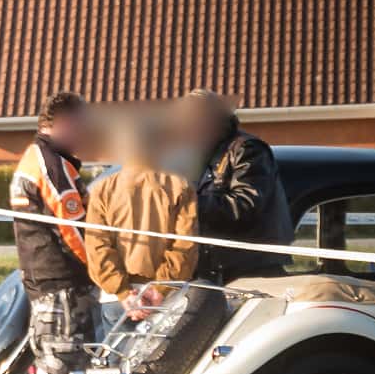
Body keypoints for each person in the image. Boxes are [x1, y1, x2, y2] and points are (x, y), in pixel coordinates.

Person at [9, 91, 99, 374]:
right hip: (61, 284)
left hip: (47, 283)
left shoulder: (39, 159)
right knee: (59, 368)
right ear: (64, 122)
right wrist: (99, 268)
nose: (86, 134)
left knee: (76, 365)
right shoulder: (50, 164)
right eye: (82, 126)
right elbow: (71, 229)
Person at [164, 89, 292, 281]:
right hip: (208, 270)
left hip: (248, 272)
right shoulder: (196, 155)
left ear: (214, 122)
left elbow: (245, 205)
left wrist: (186, 203)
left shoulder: (247, 150)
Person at [85, 112, 199, 320]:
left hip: (116, 300)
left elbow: (97, 247)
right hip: (166, 297)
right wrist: (159, 289)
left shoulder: (102, 189)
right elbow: (185, 245)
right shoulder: (180, 186)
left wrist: (123, 292)